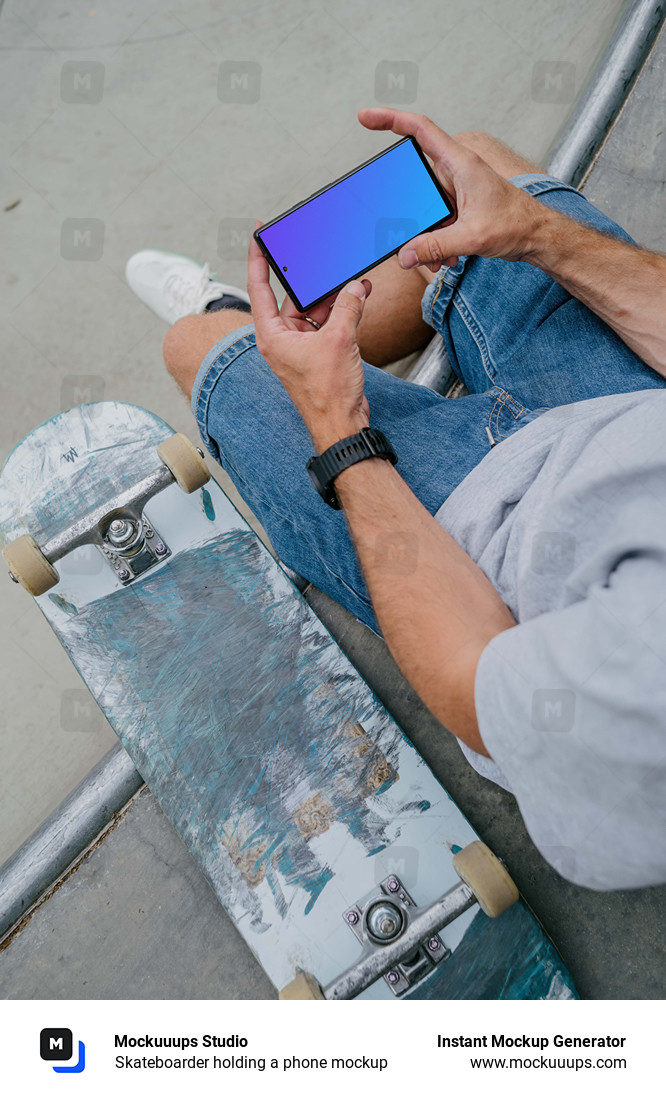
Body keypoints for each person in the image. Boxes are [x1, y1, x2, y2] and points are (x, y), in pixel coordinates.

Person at [126, 108, 666, 892]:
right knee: (467, 171)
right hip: (631, 414)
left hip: (481, 559)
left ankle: (233, 318)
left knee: (195, 351)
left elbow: (465, 674)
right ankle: (295, 307)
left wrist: (337, 426)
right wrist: (535, 233)